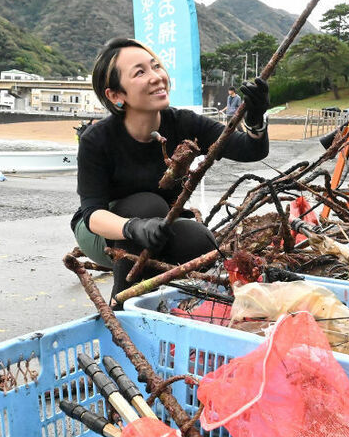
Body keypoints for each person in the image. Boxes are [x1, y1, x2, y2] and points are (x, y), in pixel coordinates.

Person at [71, 37, 270, 301]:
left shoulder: (182, 123)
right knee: (147, 204)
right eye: (140, 72)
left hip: (160, 226)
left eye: (155, 66)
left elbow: (250, 149)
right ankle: (122, 304)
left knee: (202, 243)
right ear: (116, 95)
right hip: (104, 233)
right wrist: (133, 227)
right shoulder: (97, 139)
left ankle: (154, 297)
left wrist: (256, 120)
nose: (156, 77)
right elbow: (92, 214)